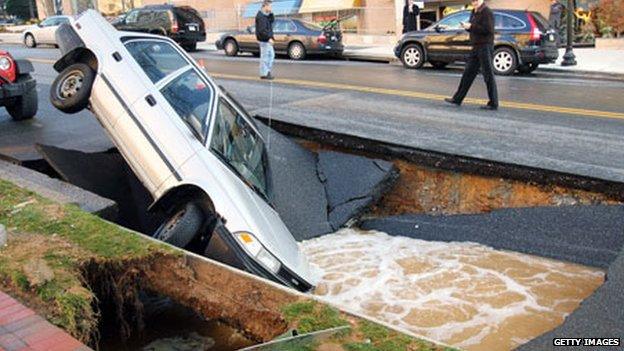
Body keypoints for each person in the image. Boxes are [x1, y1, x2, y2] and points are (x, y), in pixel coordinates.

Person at [445, 0, 498, 110]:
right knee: (468, 73)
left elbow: (489, 30)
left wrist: (471, 27)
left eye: (476, 1)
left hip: (485, 46)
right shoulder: (474, 12)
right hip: (476, 46)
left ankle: (493, 103)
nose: (474, 2)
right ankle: (457, 98)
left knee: (488, 74)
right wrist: (467, 27)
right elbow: (473, 28)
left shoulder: (487, 12)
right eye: (473, 1)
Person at [255, 1, 275, 80]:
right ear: (265, 6)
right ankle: (264, 73)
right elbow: (262, 31)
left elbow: (272, 20)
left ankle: (266, 72)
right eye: (270, 6)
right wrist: (269, 38)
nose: (271, 8)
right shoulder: (261, 17)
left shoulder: (265, 16)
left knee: (270, 55)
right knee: (265, 57)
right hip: (264, 40)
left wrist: (271, 12)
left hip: (266, 40)